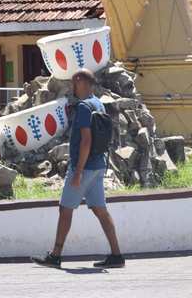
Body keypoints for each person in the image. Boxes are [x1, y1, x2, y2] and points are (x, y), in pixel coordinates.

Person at [31, 68, 124, 269]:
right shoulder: (99, 103)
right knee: (101, 210)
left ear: (79, 81)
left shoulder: (83, 107)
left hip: (85, 168)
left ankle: (55, 256)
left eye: (73, 83)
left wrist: (78, 171)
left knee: (65, 209)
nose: (72, 87)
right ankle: (117, 255)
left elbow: (86, 141)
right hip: (99, 165)